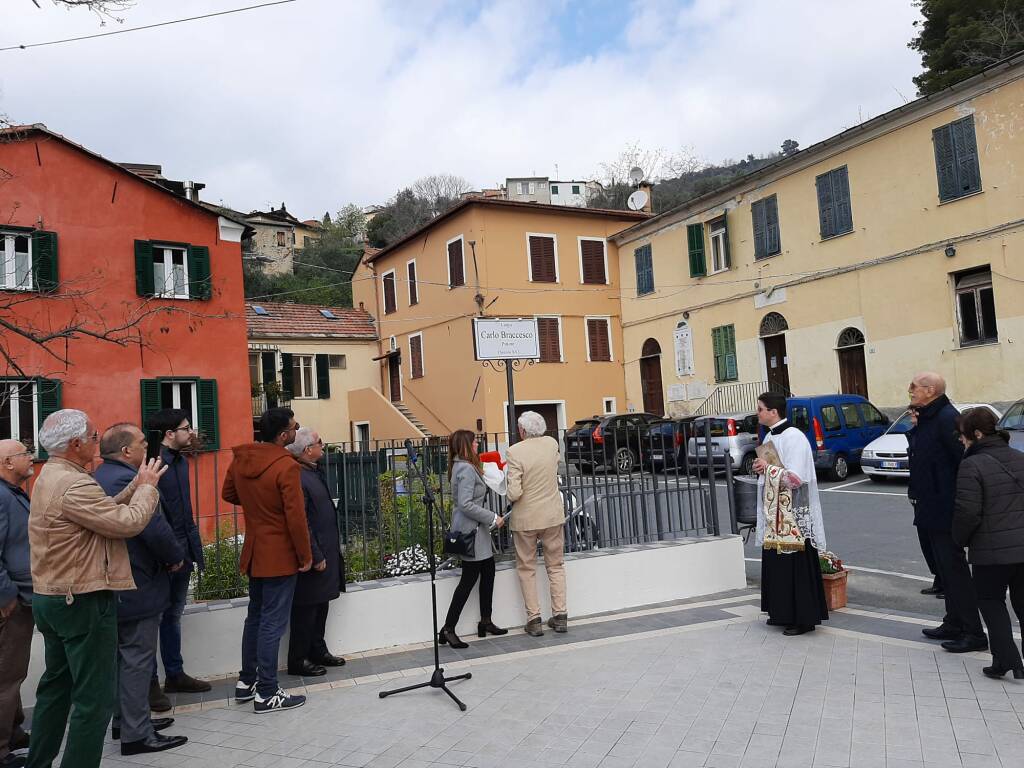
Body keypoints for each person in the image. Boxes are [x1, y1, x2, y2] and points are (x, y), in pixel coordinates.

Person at [26, 409, 165, 768]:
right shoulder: (75, 483)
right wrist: (148, 489)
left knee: (56, 689)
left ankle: (38, 762)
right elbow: (126, 523)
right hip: (82, 600)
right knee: (94, 699)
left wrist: (134, 485)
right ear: (74, 444)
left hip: (53, 596)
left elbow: (99, 512)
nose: (97, 443)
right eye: (92, 437)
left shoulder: (51, 475)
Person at [94, 425, 187, 756]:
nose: (148, 447)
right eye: (142, 443)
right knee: (136, 658)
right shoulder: (123, 480)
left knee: (123, 658)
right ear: (125, 451)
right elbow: (151, 526)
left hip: (119, 584)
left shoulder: (102, 476)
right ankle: (137, 733)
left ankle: (128, 721)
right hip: (136, 582)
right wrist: (176, 556)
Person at [222, 407, 312, 713]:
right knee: (273, 623)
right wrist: (305, 555)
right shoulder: (286, 466)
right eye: (294, 427)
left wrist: (255, 500)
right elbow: (296, 518)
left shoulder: (242, 459)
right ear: (283, 435)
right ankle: (268, 691)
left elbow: (229, 493)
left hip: (255, 550)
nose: (297, 431)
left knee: (256, 618)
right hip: (280, 554)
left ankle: (247, 682)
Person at [907, 372, 987, 653]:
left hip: (945, 510)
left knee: (955, 572)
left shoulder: (946, 419)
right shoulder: (929, 417)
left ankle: (974, 632)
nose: (911, 391)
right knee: (944, 571)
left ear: (930, 390)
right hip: (930, 506)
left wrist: (955, 502)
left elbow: (963, 463)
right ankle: (953, 622)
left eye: (914, 387)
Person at [951, 408, 1024, 679]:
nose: (961, 440)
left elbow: (967, 512)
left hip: (990, 552)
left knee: (991, 601)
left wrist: (958, 540)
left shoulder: (971, 465)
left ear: (977, 434)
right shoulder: (1019, 457)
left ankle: (1006, 661)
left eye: (963, 435)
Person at [145, 408, 210, 709]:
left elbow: (185, 513)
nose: (191, 432)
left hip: (183, 550)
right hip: (162, 556)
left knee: (173, 615)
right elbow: (153, 516)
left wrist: (192, 551)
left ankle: (174, 674)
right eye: (186, 428)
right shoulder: (153, 465)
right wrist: (169, 552)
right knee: (154, 618)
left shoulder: (181, 462)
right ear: (170, 434)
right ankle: (150, 685)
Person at [753, 392, 829, 636]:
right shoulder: (770, 435)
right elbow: (775, 470)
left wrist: (769, 468)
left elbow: (797, 478)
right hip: (776, 512)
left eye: (760, 409)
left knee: (796, 564)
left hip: (793, 512)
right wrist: (761, 468)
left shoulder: (794, 437)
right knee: (778, 563)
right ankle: (781, 612)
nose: (758, 413)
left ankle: (803, 618)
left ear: (773, 412)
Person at [284, 428, 347, 676]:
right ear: (308, 450)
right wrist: (315, 554)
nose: (323, 445)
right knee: (306, 609)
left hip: (325, 550)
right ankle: (298, 659)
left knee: (321, 606)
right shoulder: (298, 476)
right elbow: (302, 521)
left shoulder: (312, 472)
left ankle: (317, 650)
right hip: (313, 556)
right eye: (319, 442)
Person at [438, 430, 506, 649]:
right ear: (465, 445)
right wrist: (493, 517)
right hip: (473, 532)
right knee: (468, 580)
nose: (478, 444)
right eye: (474, 442)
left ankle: (485, 621)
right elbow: (466, 504)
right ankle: (448, 628)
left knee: (488, 572)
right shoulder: (466, 469)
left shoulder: (461, 466)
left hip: (477, 531)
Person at [506, 411, 567, 637]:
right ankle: (560, 615)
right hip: (552, 516)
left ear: (522, 431)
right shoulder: (551, 444)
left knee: (527, 568)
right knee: (556, 566)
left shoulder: (514, 451)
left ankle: (534, 619)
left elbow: (514, 492)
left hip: (526, 519)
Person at [0, 441, 35, 768]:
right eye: (25, 453)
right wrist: (6, 596)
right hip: (10, 603)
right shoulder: (1, 496)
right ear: (8, 462)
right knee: (6, 677)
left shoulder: (12, 492)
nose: (31, 456)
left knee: (12, 673)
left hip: (18, 598)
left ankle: (15, 732)